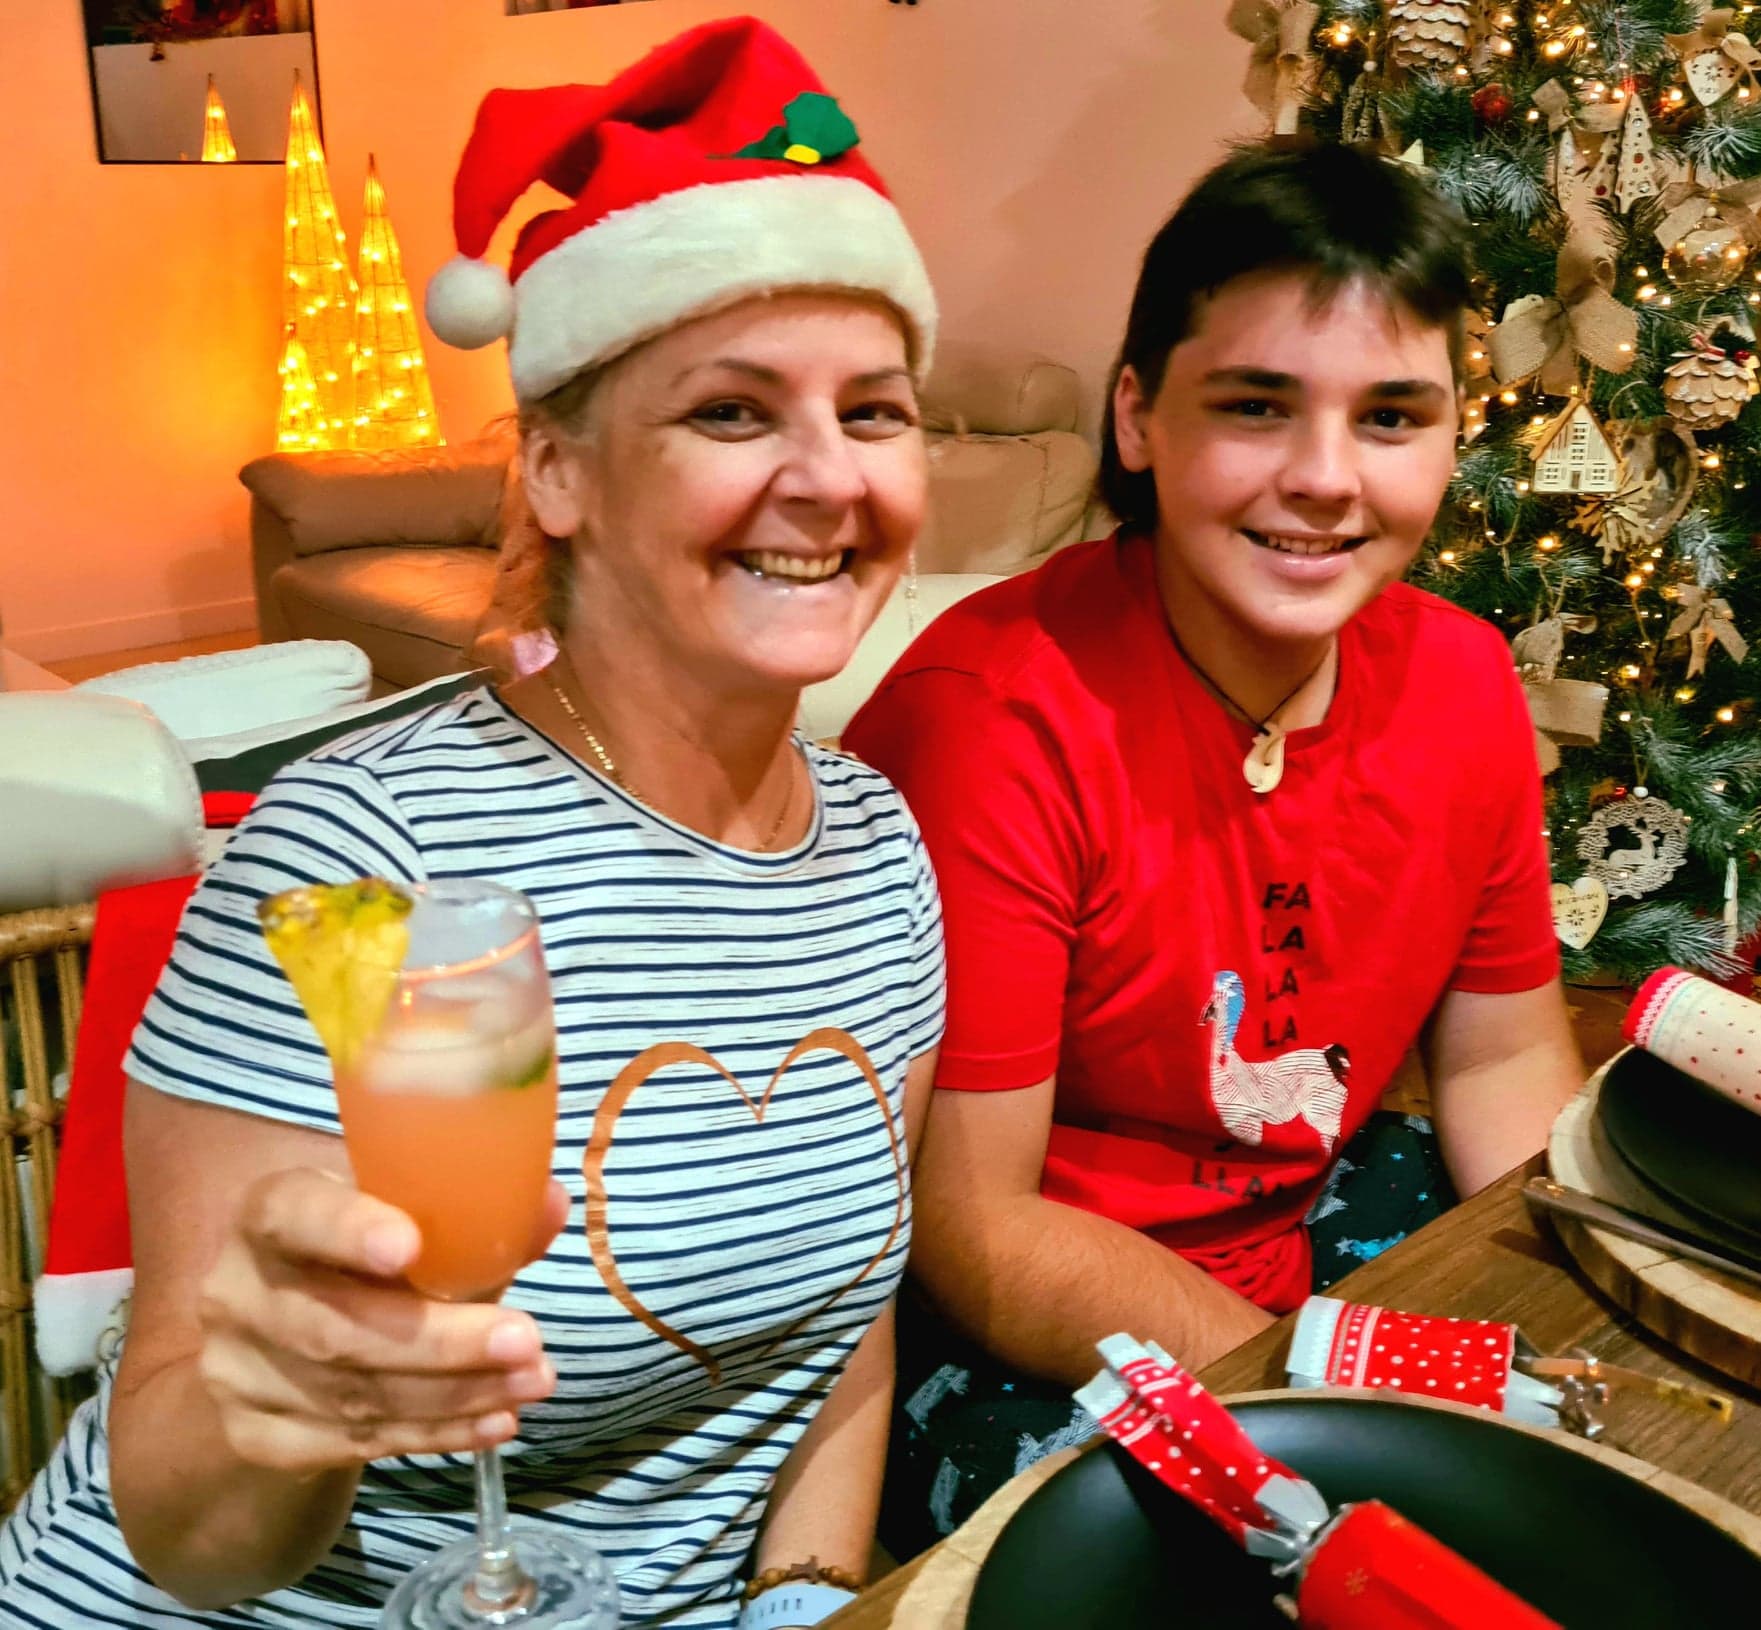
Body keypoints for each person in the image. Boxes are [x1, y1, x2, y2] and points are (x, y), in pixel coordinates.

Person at [1, 19, 944, 1628]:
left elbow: (848, 1326)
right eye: (731, 413)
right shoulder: (363, 858)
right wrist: (283, 1396)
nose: (826, 476)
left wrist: (804, 1598)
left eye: (874, 410)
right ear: (558, 473)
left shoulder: (876, 847)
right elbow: (186, 1527)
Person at [842, 141, 1584, 1555]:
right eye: (1255, 405)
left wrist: (1556, 1318)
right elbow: (975, 1227)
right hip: (1019, 1302)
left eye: (1391, 416)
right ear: (1138, 416)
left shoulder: (1466, 678)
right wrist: (1326, 1391)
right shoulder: (989, 719)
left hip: (1307, 1209)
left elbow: (1500, 1064)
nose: (1325, 479)